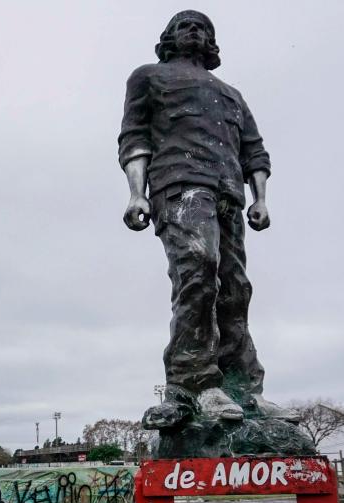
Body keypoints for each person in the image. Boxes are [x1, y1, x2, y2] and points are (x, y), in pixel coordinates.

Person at [118, 10, 295, 422]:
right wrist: (135, 194)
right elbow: (134, 135)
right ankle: (194, 382)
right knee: (198, 268)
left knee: (235, 288)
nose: (194, 30)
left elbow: (255, 150)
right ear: (169, 37)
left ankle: (246, 389)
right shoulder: (148, 77)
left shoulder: (231, 93)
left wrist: (261, 198)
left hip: (229, 191)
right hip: (179, 184)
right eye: (185, 25)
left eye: (203, 27)